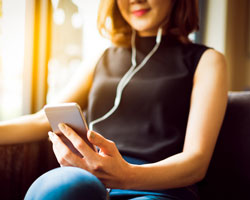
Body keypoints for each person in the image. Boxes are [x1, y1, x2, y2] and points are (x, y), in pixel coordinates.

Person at [1, 0, 228, 199]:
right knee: (59, 188)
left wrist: (126, 176)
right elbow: (44, 119)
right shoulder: (103, 57)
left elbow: (196, 163)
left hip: (157, 188)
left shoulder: (207, 61)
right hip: (86, 179)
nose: (135, 0)